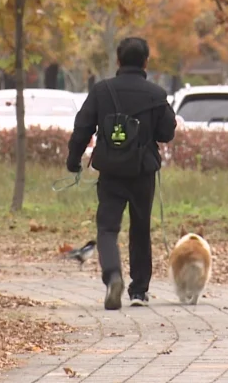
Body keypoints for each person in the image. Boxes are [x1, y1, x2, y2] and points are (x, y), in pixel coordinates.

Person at [66, 37, 177, 310]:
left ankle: (113, 275)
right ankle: (138, 290)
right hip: (142, 171)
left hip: (111, 171)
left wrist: (73, 159)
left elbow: (82, 127)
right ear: (146, 62)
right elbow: (167, 132)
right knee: (140, 228)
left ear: (118, 60)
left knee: (107, 228)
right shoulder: (156, 94)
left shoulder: (102, 91)